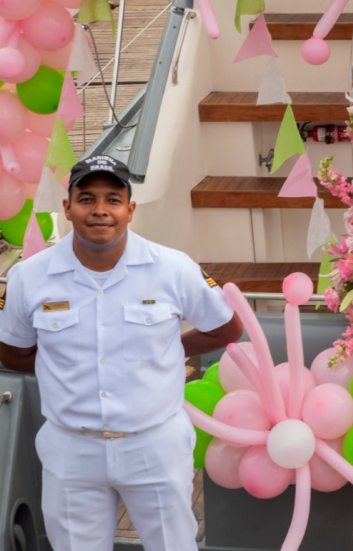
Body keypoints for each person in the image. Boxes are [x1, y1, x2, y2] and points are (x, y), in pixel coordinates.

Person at [0, 155, 244, 550]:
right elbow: (13, 353)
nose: (100, 210)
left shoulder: (173, 268)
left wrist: (169, 348)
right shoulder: (29, 277)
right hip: (71, 447)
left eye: (113, 199)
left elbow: (227, 326)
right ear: (67, 208)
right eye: (86, 199)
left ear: (130, 209)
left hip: (155, 443)